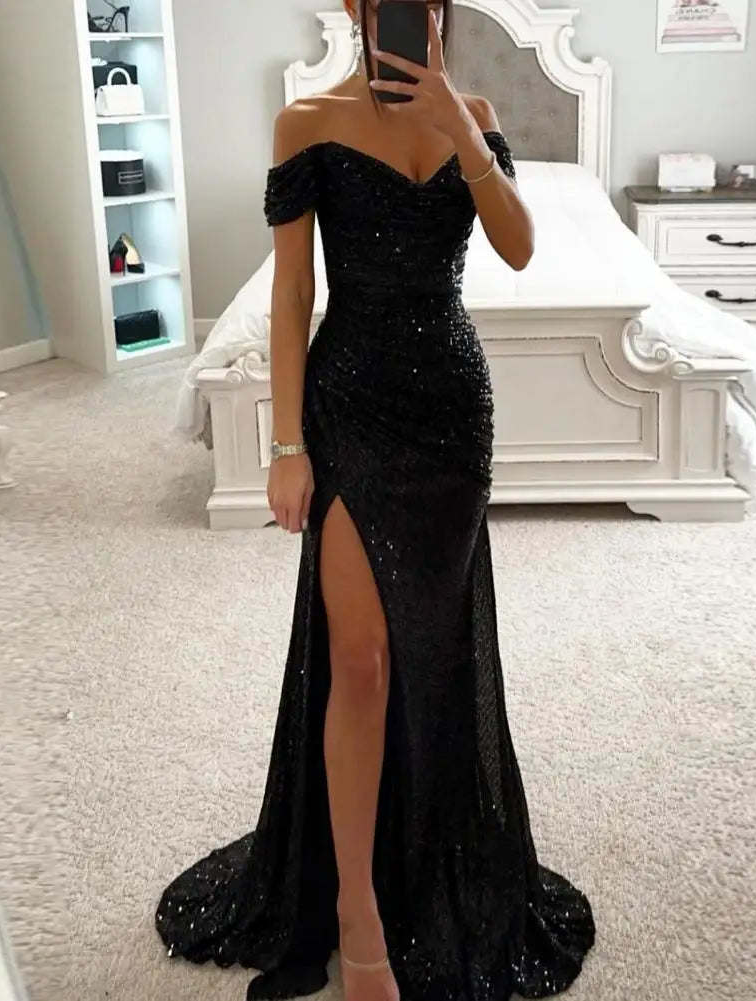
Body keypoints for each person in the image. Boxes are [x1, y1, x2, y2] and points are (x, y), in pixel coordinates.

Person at [156, 3, 595, 999]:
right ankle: (355, 913)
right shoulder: (304, 123)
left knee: (429, 650)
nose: (408, 13)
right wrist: (284, 444)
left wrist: (456, 124)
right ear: (354, 10)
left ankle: (424, 848)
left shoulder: (472, 113)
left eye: (425, 1)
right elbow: (288, 293)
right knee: (357, 656)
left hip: (449, 410)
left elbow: (518, 248)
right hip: (349, 400)